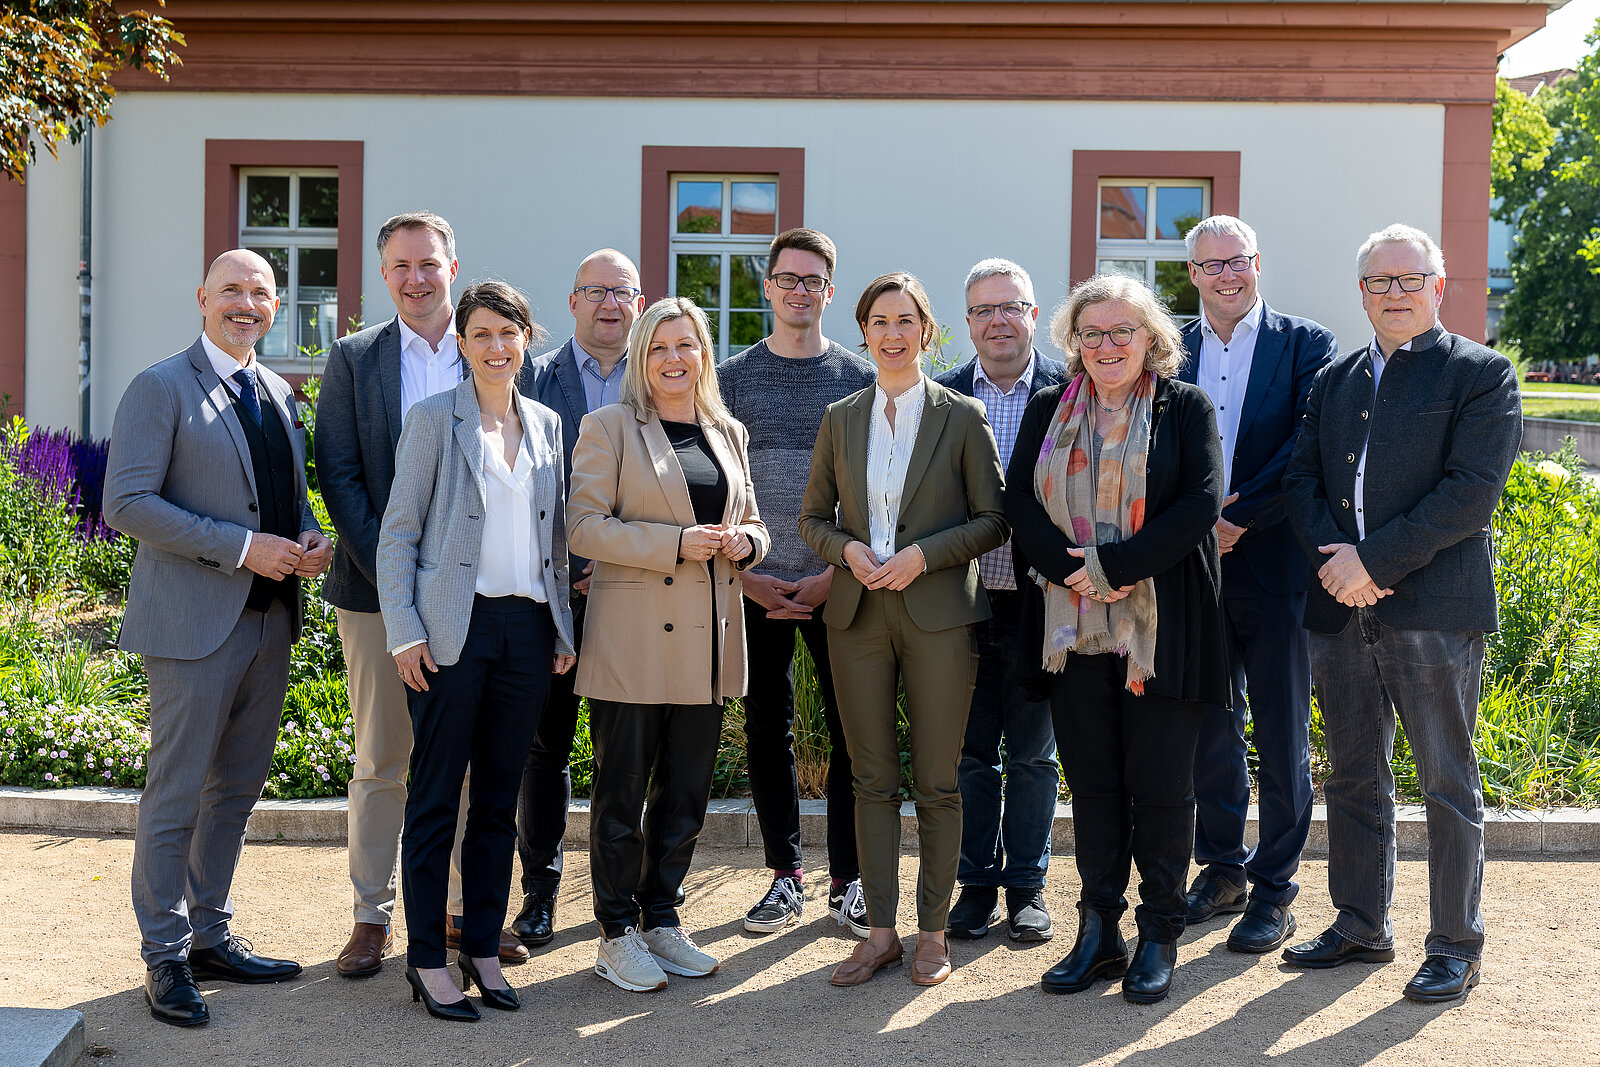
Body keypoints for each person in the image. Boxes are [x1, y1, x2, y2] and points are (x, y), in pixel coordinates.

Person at [1282, 224, 1521, 1003]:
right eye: (1380, 282)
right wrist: (1340, 563)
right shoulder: (1336, 378)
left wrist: (1372, 563)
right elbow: (1300, 480)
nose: (1394, 293)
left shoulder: (1482, 375)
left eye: (1409, 279)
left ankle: (1455, 942)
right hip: (1339, 605)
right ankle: (1360, 920)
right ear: (1362, 292)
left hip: (1434, 609)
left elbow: (1469, 492)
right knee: (1354, 771)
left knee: (1447, 780)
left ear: (1439, 287)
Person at [105, 249, 334, 1028]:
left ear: (276, 307)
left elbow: (283, 495)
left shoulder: (275, 389)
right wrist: (243, 547)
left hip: (270, 620)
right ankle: (164, 954)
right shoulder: (160, 385)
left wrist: (304, 534)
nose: (246, 303)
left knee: (233, 791)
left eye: (260, 292)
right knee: (175, 794)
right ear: (203, 297)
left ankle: (209, 933)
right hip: (193, 625)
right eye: (231, 289)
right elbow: (126, 501)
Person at [1006, 273, 1228, 1005]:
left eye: (1121, 331)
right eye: (1092, 332)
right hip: (1073, 633)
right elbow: (1019, 503)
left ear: (1150, 338)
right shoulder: (1048, 407)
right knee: (1095, 784)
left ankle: (1160, 931)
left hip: (1162, 631)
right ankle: (1099, 929)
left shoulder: (1184, 407)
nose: (1106, 345)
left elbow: (1199, 501)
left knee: (1163, 787)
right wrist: (1074, 572)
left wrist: (1112, 568)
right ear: (1074, 340)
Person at [317, 211, 528, 976]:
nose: (416, 278)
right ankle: (371, 914)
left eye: (429, 264)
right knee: (383, 755)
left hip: (480, 605)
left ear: (452, 264)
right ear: (384, 275)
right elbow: (340, 475)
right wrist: (403, 585)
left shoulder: (497, 349)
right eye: (401, 266)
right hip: (377, 594)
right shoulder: (354, 359)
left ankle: (462, 913)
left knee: (467, 759)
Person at [799, 271, 1008, 988]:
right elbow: (812, 518)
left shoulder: (962, 415)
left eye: (906, 320)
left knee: (940, 781)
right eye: (879, 321)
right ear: (864, 332)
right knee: (871, 779)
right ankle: (880, 932)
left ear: (927, 331)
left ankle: (933, 933)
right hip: (857, 614)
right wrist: (846, 550)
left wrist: (923, 555)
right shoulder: (841, 416)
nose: (892, 332)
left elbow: (993, 519)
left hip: (938, 613)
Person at [377, 281, 576, 1020]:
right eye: (482, 333)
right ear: (461, 344)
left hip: (525, 630)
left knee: (499, 803)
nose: (497, 346)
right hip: (450, 631)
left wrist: (561, 628)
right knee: (434, 801)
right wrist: (404, 629)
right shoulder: (433, 419)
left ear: (528, 339)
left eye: (509, 332)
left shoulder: (550, 424)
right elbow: (397, 532)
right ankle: (428, 958)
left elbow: (553, 541)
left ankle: (484, 948)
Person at [567, 297, 769, 993]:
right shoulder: (610, 427)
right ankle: (615, 931)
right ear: (641, 358)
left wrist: (750, 540)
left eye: (686, 345)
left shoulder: (727, 430)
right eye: (659, 348)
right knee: (621, 794)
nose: (674, 359)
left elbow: (752, 519)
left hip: (708, 641)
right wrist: (674, 544)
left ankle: (662, 916)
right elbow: (584, 527)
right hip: (633, 641)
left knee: (685, 792)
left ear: (704, 354)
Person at [1176, 216, 1337, 953]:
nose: (1225, 275)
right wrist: (1193, 526)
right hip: (1190, 568)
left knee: (1279, 730)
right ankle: (1223, 868)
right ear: (1194, 276)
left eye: (1236, 261)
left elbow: (1311, 444)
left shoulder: (1308, 345)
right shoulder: (1168, 345)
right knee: (1210, 723)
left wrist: (1235, 519)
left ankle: (1275, 888)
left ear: (1257, 262)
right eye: (1210, 265)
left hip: (1274, 565)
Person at [719, 227, 875, 938]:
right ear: (768, 286)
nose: (800, 291)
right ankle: (785, 877)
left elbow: (875, 491)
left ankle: (849, 881)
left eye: (813, 281)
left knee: (850, 734)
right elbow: (713, 488)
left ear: (829, 292)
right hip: (753, 584)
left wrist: (830, 571)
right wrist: (745, 575)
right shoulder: (727, 379)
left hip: (833, 583)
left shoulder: (860, 379)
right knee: (764, 730)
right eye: (788, 278)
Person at [512, 249, 647, 949]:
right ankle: (540, 892)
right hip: (552, 594)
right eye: (596, 291)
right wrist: (568, 567)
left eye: (622, 292)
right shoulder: (531, 376)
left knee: (625, 748)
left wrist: (618, 559)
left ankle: (626, 890)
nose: (609, 304)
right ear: (571, 302)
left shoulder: (657, 380)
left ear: (640, 302)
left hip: (632, 594)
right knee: (546, 748)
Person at [935, 258, 1065, 943]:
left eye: (1011, 306)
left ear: (1034, 315)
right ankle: (976, 885)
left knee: (1035, 755)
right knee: (970, 754)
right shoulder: (943, 395)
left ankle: (1027, 889)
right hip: (963, 603)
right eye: (984, 310)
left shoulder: (1071, 391)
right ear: (969, 322)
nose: (998, 320)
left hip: (1044, 604)